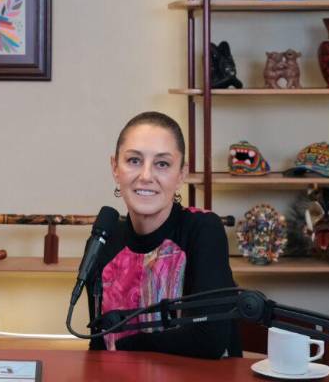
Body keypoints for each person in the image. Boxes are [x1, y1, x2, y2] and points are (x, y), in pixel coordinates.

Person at [86, 111, 241, 359]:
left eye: (162, 164)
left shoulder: (203, 229)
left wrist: (127, 345)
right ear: (115, 168)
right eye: (134, 160)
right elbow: (99, 345)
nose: (146, 176)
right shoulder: (103, 241)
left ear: (181, 174)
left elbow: (209, 339)